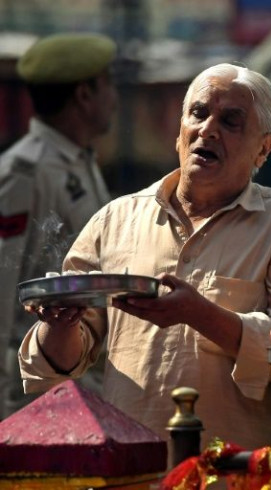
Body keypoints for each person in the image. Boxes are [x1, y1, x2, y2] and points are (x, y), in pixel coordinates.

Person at [18, 63, 271, 449]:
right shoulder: (116, 219)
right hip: (134, 469)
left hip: (237, 472)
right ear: (179, 132)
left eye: (231, 121)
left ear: (264, 147)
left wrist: (199, 314)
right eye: (199, 113)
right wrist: (59, 324)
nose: (208, 129)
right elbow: (54, 368)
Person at [0, 32, 117, 419]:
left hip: (82, 379)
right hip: (34, 392)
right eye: (107, 84)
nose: (114, 96)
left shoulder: (78, 161)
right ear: (84, 94)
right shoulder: (25, 173)